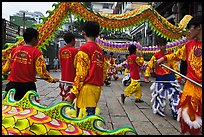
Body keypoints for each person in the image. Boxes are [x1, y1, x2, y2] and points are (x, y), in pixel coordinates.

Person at [156, 15, 202, 135]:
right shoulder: (189, 45)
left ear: (199, 27)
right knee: (188, 116)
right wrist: (164, 59)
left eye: (190, 28)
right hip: (190, 86)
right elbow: (176, 55)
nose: (188, 31)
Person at [2, 28, 58, 101]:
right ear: (33, 39)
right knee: (29, 111)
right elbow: (41, 72)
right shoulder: (37, 53)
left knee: (10, 110)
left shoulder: (14, 51)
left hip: (11, 86)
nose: (38, 40)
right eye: (38, 38)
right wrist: (52, 80)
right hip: (27, 87)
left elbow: (6, 68)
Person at [64, 21, 105, 118]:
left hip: (86, 90)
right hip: (97, 89)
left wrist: (72, 95)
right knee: (90, 118)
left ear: (84, 32)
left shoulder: (84, 49)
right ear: (97, 34)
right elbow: (104, 71)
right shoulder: (99, 51)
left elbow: (80, 74)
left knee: (83, 122)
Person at [144, 36, 182, 120]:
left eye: (163, 45)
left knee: (174, 94)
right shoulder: (156, 56)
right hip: (160, 77)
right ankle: (159, 109)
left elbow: (175, 66)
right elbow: (149, 65)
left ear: (166, 45)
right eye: (160, 45)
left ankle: (175, 112)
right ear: (158, 46)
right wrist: (146, 76)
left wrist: (178, 78)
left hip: (170, 76)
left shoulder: (170, 55)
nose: (162, 47)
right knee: (159, 95)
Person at [59, 32, 78, 101]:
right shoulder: (75, 51)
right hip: (72, 80)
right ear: (73, 40)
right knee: (72, 100)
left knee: (64, 98)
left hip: (63, 79)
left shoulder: (61, 50)